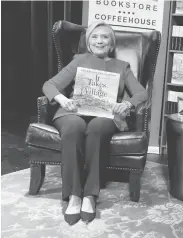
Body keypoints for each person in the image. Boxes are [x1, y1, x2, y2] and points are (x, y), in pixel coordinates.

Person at [42, 21, 147, 225]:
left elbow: (142, 92)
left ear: (111, 43)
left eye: (105, 37)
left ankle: (90, 195)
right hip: (73, 112)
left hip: (105, 115)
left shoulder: (121, 67)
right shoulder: (78, 60)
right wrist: (62, 100)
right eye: (95, 37)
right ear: (89, 42)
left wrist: (127, 104)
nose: (100, 40)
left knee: (98, 128)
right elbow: (50, 84)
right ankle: (74, 195)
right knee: (74, 127)